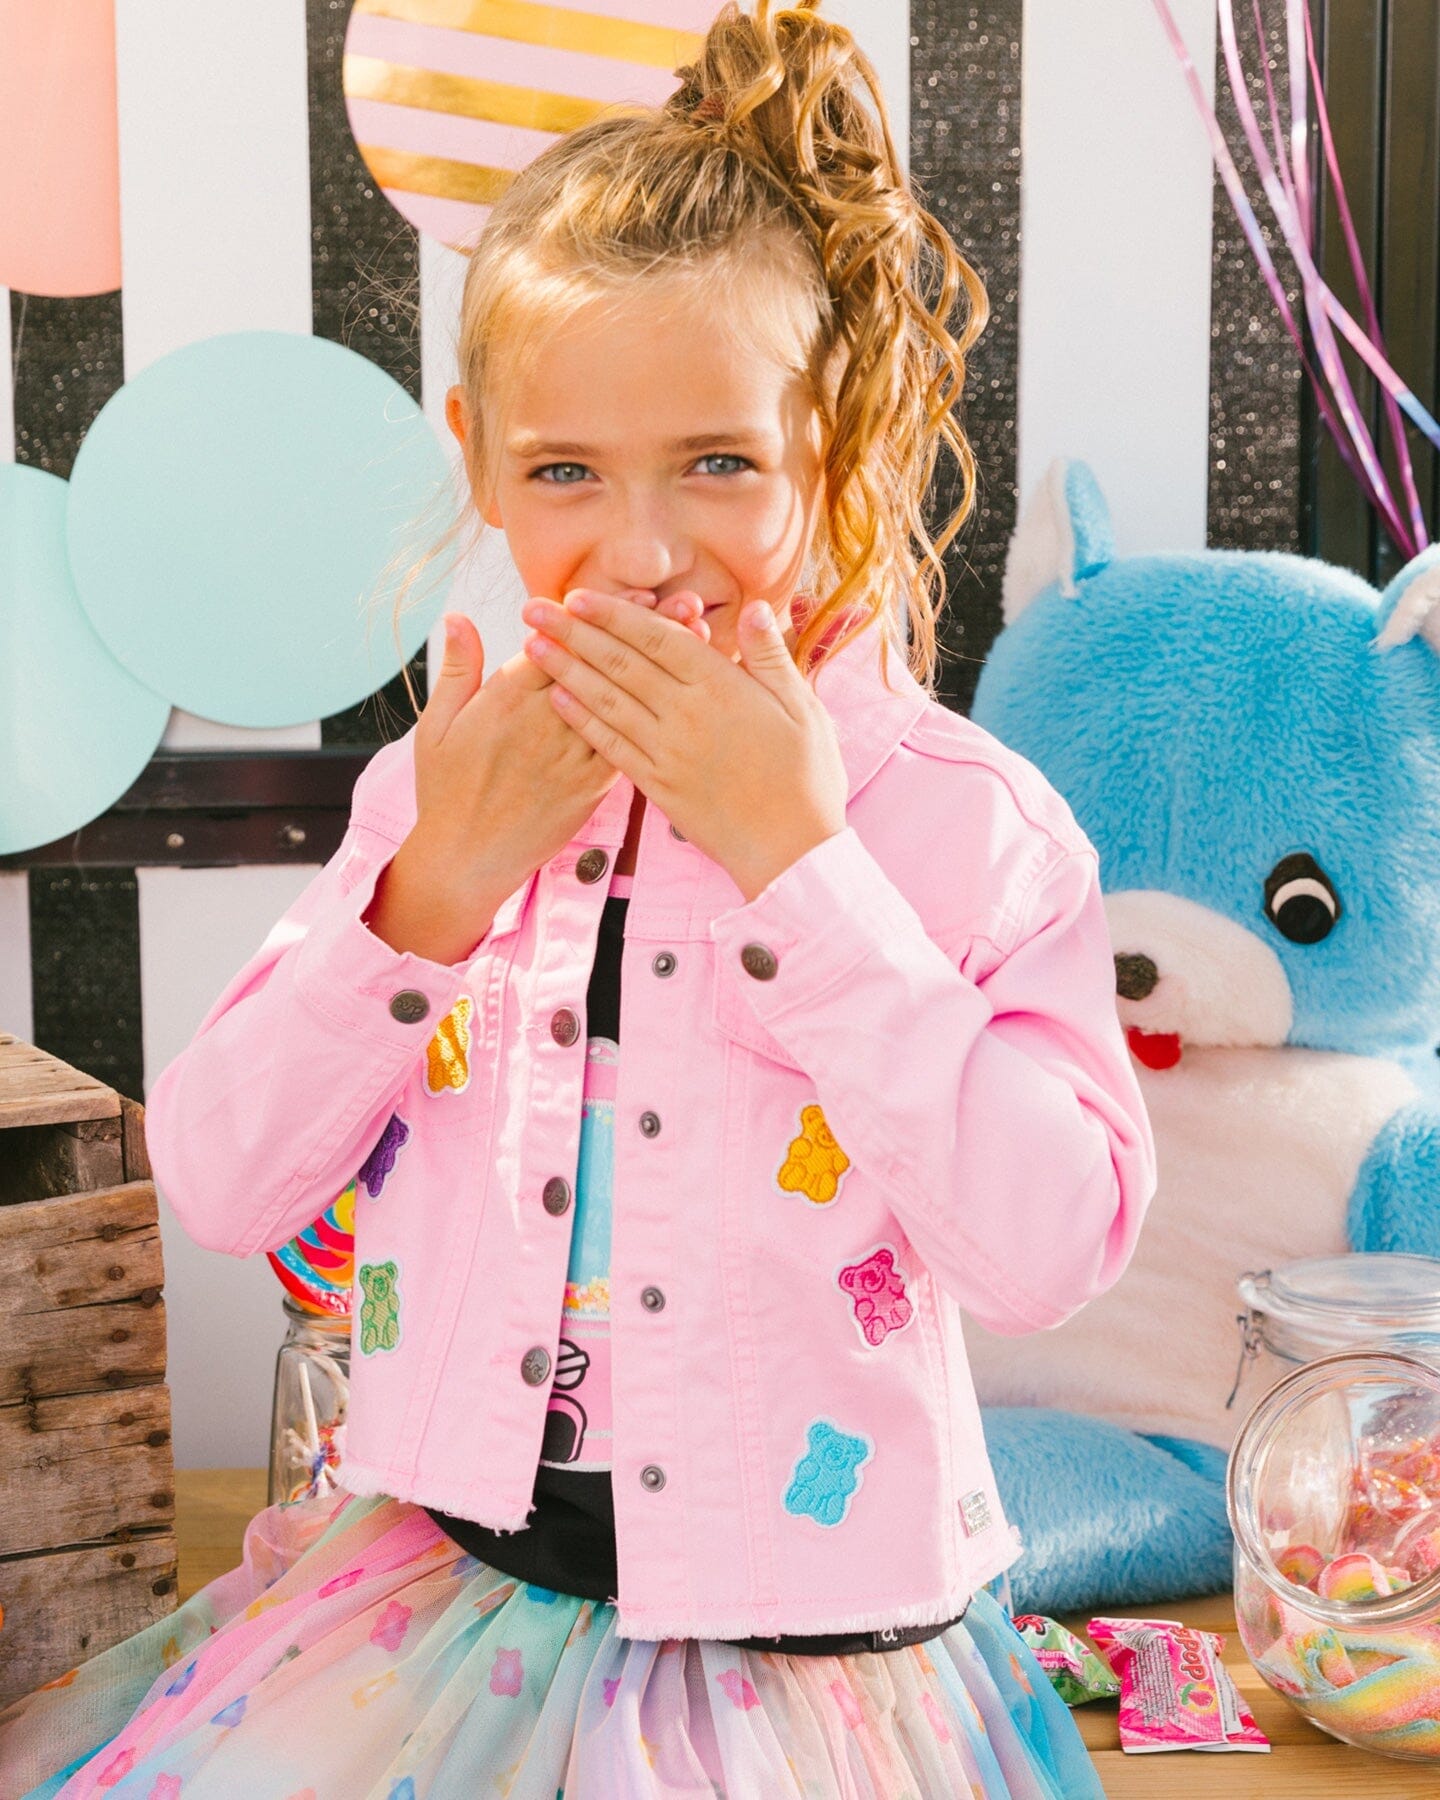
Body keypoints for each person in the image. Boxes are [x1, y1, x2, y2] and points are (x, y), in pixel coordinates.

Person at [0, 4, 1156, 1794]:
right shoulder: (448, 789)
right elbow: (226, 1179)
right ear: (477, 456)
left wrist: (802, 867)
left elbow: (1048, 1249)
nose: (640, 547)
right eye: (563, 474)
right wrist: (435, 884)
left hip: (810, 1676)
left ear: (830, 448)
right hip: (455, 1617)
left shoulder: (956, 822)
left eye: (718, 462)